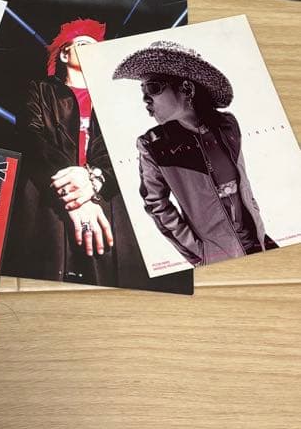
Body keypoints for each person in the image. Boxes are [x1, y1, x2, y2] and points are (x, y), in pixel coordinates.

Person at [8, 19, 154, 287]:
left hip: (107, 199)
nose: (93, 50)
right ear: (65, 54)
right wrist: (76, 197)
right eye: (84, 44)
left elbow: (126, 147)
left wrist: (95, 182)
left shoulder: (115, 97)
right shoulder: (40, 90)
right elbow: (31, 139)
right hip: (48, 196)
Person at [112, 40, 276, 265]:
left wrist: (258, 223)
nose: (145, 98)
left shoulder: (227, 125)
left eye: (153, 88)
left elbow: (243, 184)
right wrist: (199, 253)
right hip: (218, 258)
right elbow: (156, 204)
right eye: (143, 91)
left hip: (261, 243)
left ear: (187, 89)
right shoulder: (153, 146)